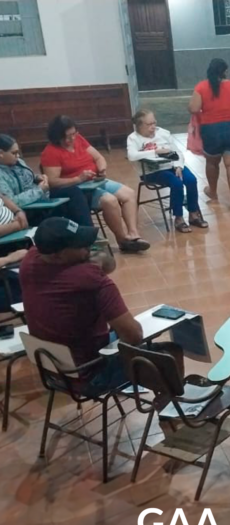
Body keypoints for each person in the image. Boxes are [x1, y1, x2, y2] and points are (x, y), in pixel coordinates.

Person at [19, 217, 144, 396]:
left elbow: (107, 263)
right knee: (165, 352)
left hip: (51, 370)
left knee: (118, 331)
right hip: (89, 375)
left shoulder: (30, 260)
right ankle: (174, 407)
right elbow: (134, 335)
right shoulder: (88, 277)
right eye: (79, 245)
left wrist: (91, 260)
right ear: (58, 255)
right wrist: (94, 266)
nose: (87, 246)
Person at [40, 116, 150, 253]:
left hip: (94, 181)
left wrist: (101, 169)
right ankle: (122, 240)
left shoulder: (79, 139)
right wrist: (78, 179)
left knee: (129, 194)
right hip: (78, 189)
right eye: (68, 136)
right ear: (58, 136)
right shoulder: (51, 152)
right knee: (110, 201)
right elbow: (52, 181)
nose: (72, 138)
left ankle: (133, 234)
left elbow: (99, 157)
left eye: (74, 134)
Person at [127, 109, 208, 233]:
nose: (153, 127)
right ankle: (178, 218)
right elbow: (132, 156)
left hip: (172, 166)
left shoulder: (163, 133)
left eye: (154, 123)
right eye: (149, 124)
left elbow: (177, 152)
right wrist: (155, 152)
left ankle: (193, 214)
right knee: (177, 183)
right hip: (152, 172)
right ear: (139, 126)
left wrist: (178, 166)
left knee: (191, 180)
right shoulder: (133, 138)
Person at [188, 58, 230, 208]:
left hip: (210, 129)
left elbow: (194, 108)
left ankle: (213, 193)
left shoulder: (201, 87)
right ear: (225, 71)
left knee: (212, 163)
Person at [0, 134, 51, 208]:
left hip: (37, 201)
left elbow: (23, 178)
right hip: (22, 210)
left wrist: (36, 178)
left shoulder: (18, 162)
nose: (17, 156)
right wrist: (40, 190)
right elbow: (11, 202)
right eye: (14, 153)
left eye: (18, 153)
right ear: (1, 153)